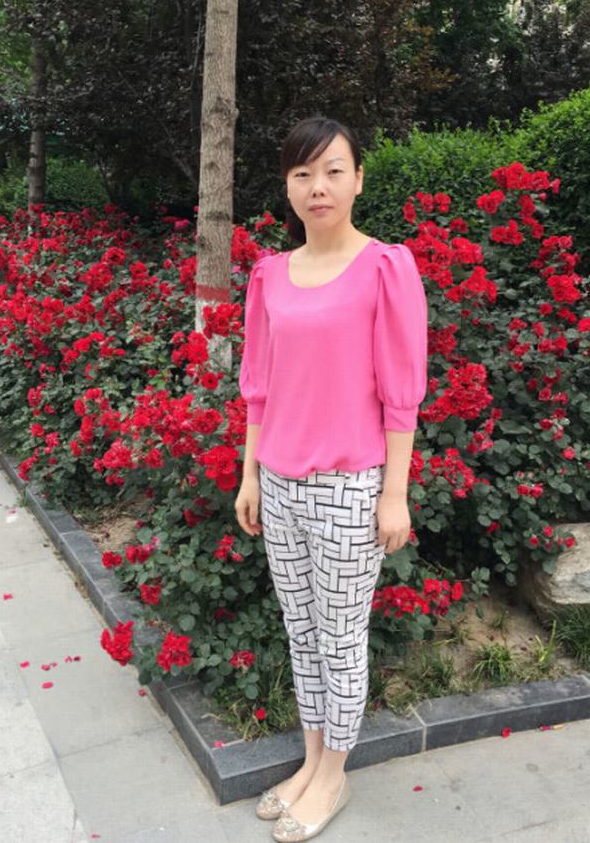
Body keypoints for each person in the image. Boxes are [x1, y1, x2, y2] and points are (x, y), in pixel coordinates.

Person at [235, 115, 428, 842]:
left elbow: (400, 393)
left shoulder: (385, 268)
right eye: (302, 174)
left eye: (333, 171)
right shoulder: (269, 274)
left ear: (358, 179)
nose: (318, 186)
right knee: (302, 631)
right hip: (279, 483)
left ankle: (335, 777)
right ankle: (312, 762)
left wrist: (394, 494)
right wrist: (250, 476)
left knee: (342, 639)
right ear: (287, 186)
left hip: (349, 487)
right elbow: (259, 388)